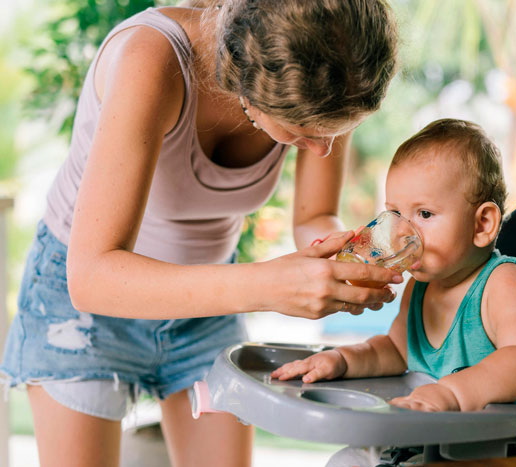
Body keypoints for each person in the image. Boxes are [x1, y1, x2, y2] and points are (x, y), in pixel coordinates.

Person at [0, 1, 400, 466]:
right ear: (246, 80)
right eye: (299, 132)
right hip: (83, 308)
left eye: (337, 131)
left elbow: (315, 217)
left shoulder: (332, 74)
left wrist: (345, 258)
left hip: (208, 303)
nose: (323, 147)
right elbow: (90, 277)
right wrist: (269, 286)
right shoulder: (152, 60)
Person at [271, 118, 516, 466]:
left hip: (486, 449)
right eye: (394, 213)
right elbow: (393, 350)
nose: (403, 232)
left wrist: (451, 394)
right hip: (422, 442)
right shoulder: (421, 288)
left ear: (482, 224)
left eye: (424, 213)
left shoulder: (503, 283)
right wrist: (342, 360)